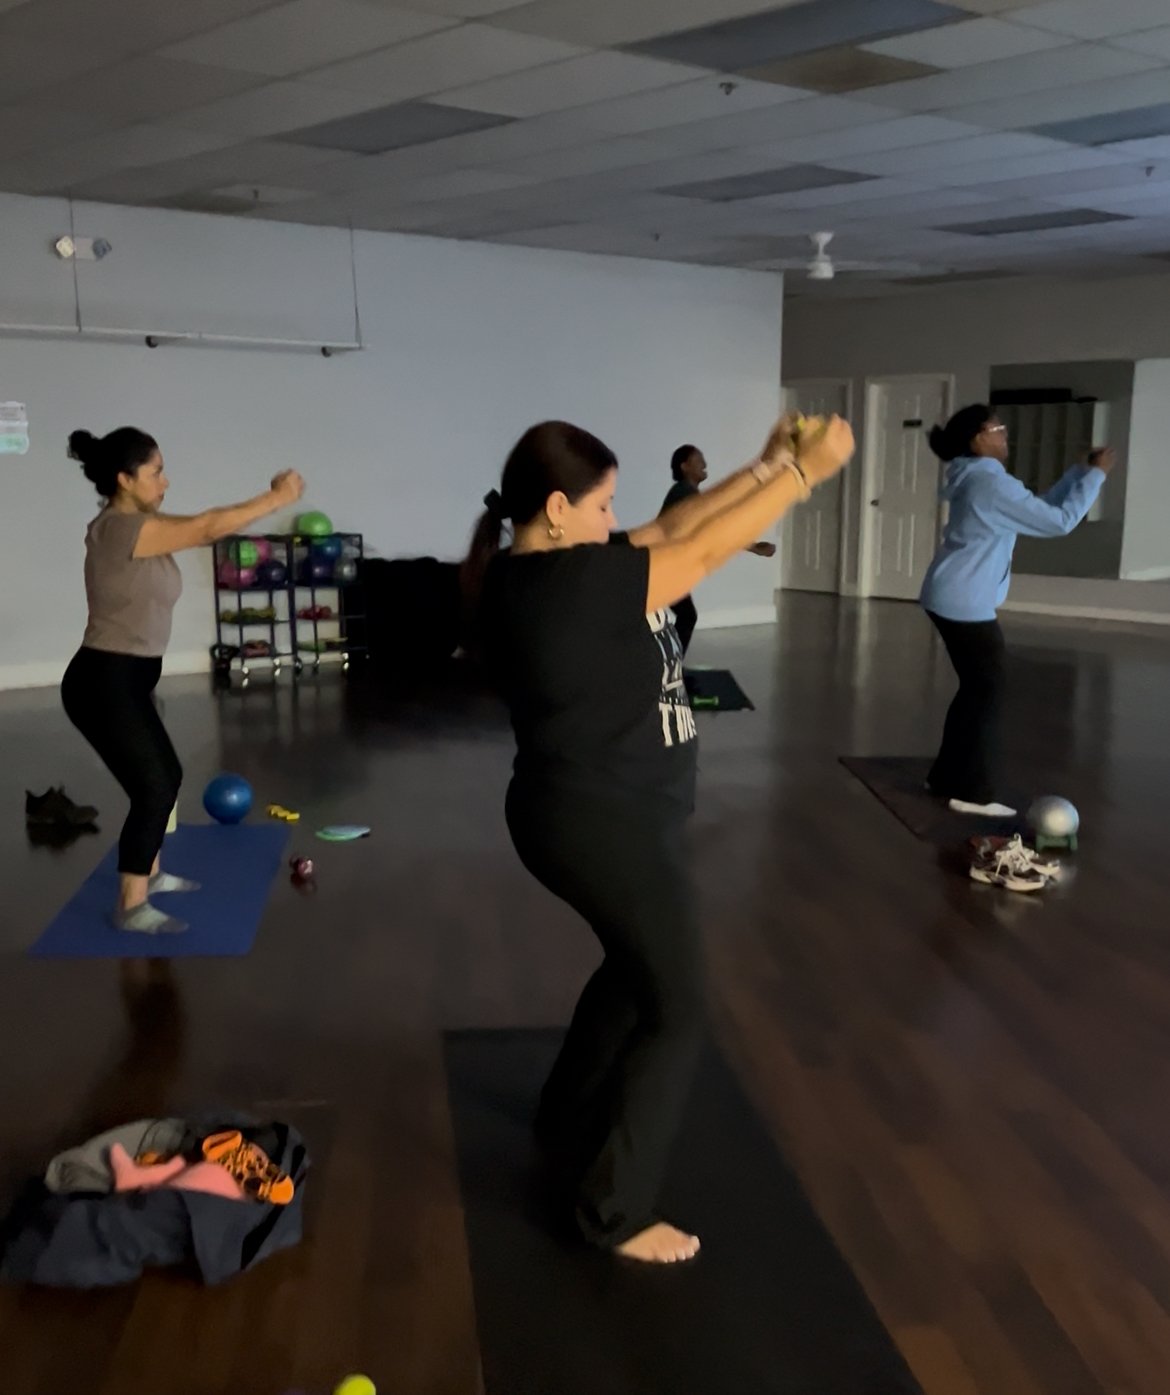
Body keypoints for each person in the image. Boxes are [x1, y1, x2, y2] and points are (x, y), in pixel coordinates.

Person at [466, 415, 853, 1264]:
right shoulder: (569, 586)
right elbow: (701, 553)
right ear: (558, 509)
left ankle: (565, 1111)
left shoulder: (548, 568)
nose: (616, 520)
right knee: (679, 1007)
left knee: (632, 966)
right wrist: (805, 477)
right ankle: (614, 1212)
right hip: (602, 823)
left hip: (601, 814)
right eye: (603, 505)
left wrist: (765, 465)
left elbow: (676, 528)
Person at [63, 427, 305, 935]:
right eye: (155, 472)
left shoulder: (141, 524)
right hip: (103, 680)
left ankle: (148, 874)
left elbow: (203, 526)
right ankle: (130, 906)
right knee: (155, 785)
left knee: (161, 778)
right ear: (125, 479)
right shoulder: (118, 530)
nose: (165, 482)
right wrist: (277, 498)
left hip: (128, 677)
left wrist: (241, 511)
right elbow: (206, 527)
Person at [920, 404, 1115, 818]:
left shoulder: (980, 478)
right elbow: (1060, 522)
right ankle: (974, 793)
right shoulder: (990, 485)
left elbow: (1040, 510)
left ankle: (946, 778)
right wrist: (1096, 476)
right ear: (978, 438)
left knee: (977, 690)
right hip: (964, 599)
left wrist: (1079, 474)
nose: (1005, 434)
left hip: (952, 592)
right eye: (998, 428)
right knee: (988, 692)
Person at [659, 444, 777, 654]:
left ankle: (670, 664)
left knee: (685, 616)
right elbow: (715, 527)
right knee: (687, 616)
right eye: (698, 460)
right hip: (664, 567)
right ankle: (669, 665)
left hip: (666, 566)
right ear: (685, 466)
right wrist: (754, 547)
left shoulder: (685, 492)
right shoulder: (685, 492)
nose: (704, 464)